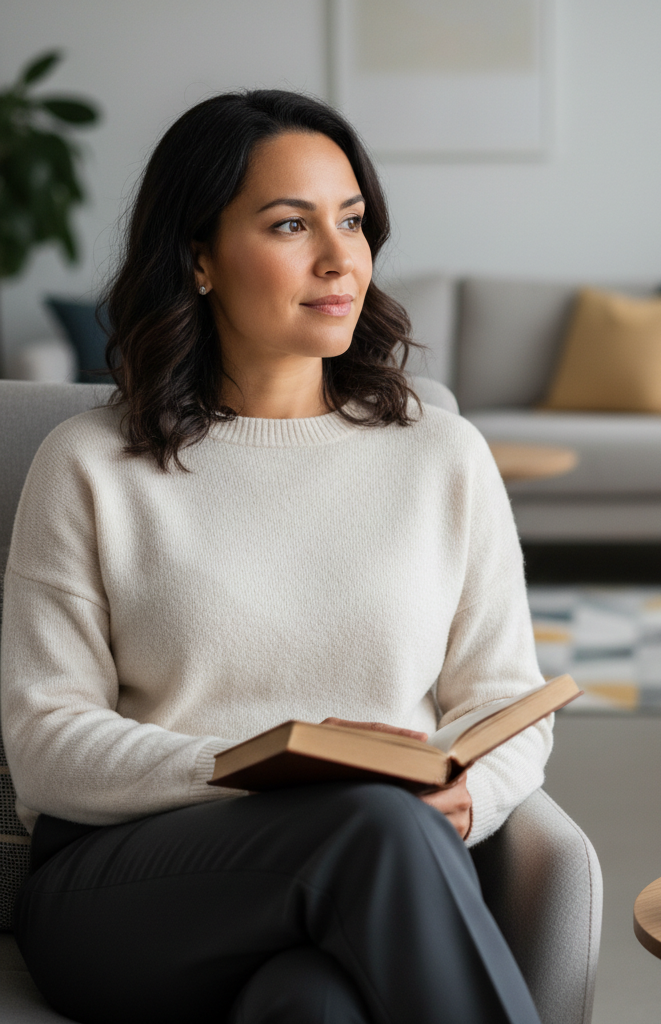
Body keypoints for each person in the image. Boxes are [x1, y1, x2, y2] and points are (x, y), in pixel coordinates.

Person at [0, 90, 550, 1024]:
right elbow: (48, 748)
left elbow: (505, 701)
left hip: (371, 871)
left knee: (310, 1005)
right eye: (292, 224)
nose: (342, 259)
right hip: (128, 894)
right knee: (368, 825)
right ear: (200, 257)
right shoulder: (90, 465)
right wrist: (272, 765)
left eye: (353, 220)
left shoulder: (440, 454)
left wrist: (468, 800)